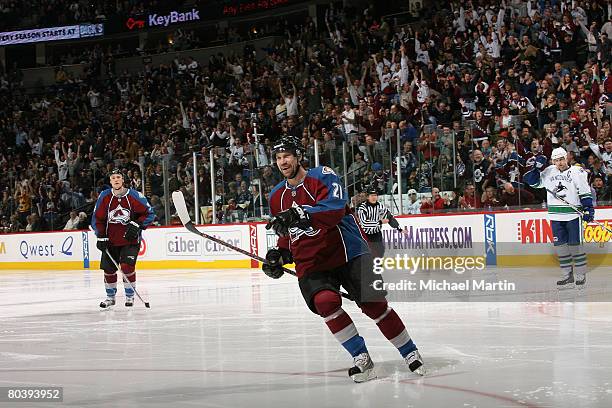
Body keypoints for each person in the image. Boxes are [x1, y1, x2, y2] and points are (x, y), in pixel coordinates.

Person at [263, 136, 425, 383]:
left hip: (347, 252)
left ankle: (409, 351)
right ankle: (361, 358)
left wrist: (301, 213)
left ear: (298, 156)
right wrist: (278, 255)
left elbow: (335, 208)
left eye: (287, 156)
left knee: (374, 305)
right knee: (325, 302)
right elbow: (287, 233)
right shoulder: (276, 196)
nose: (282, 162)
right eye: (278, 157)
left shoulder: (323, 176)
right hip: (312, 261)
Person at [524, 148, 594, 288]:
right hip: (556, 216)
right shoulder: (549, 171)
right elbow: (533, 183)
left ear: (566, 157)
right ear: (553, 161)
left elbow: (585, 191)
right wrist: (536, 168)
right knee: (561, 247)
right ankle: (567, 275)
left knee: (575, 245)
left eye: (561, 159)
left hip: (573, 215)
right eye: (556, 160)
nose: (559, 163)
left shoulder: (576, 171)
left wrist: (588, 209)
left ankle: (580, 274)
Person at [91, 169, 155, 308]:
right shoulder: (105, 196)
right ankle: (110, 297)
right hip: (110, 241)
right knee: (109, 270)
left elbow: (149, 213)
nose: (116, 179)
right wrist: (100, 235)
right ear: (110, 181)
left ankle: (130, 297)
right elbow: (97, 218)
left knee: (127, 267)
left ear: (123, 179)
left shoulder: (134, 195)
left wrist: (138, 224)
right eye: (113, 177)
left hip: (130, 240)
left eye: (118, 177)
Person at [356, 187, 402, 257]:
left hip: (377, 234)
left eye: (375, 195)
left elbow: (389, 217)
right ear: (368, 197)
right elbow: (364, 223)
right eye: (372, 195)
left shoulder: (380, 206)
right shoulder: (362, 208)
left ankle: (377, 267)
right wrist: (379, 222)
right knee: (368, 254)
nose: (374, 197)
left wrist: (399, 229)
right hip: (365, 234)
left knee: (380, 252)